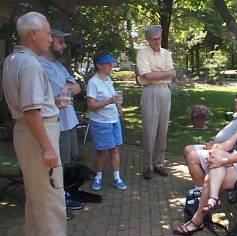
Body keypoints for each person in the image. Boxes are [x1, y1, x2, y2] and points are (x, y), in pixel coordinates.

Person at [2, 12, 82, 236]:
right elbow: (31, 110)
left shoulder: (13, 59)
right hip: (39, 134)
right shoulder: (30, 64)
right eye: (47, 33)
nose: (50, 38)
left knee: (36, 192)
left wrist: (51, 103)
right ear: (33, 34)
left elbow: (32, 106)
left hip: (25, 132)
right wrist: (47, 147)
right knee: (51, 193)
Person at [173, 94, 237, 236]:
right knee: (216, 155)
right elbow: (229, 144)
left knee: (208, 181)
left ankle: (197, 220)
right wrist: (214, 151)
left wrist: (222, 160)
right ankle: (213, 200)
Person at [39, 28, 83, 218]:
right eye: (60, 42)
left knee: (66, 161)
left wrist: (67, 87)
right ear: (50, 42)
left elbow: (77, 88)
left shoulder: (59, 66)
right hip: (56, 123)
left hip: (69, 121)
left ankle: (63, 195)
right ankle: (58, 203)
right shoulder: (40, 65)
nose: (64, 46)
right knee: (56, 166)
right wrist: (67, 87)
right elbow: (59, 91)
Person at [183, 88, 237, 197]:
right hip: (220, 147)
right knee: (188, 149)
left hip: (227, 153)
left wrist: (215, 147)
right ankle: (202, 183)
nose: (235, 100)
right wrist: (213, 142)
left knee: (192, 155)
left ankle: (200, 191)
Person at [136, 25, 176, 180]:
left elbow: (172, 73)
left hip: (165, 91)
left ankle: (159, 163)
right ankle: (148, 165)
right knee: (149, 130)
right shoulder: (142, 53)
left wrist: (157, 74)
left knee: (162, 129)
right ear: (147, 39)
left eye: (159, 38)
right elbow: (147, 76)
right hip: (150, 91)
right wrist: (165, 73)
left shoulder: (166, 53)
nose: (158, 41)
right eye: (154, 39)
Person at [87, 51, 127, 191]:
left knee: (115, 149)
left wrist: (119, 107)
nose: (111, 66)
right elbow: (91, 106)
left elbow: (114, 97)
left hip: (113, 120)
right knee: (101, 151)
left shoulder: (108, 80)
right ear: (99, 65)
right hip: (100, 122)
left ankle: (117, 177)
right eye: (108, 63)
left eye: (111, 63)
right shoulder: (93, 82)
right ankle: (98, 177)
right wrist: (109, 101)